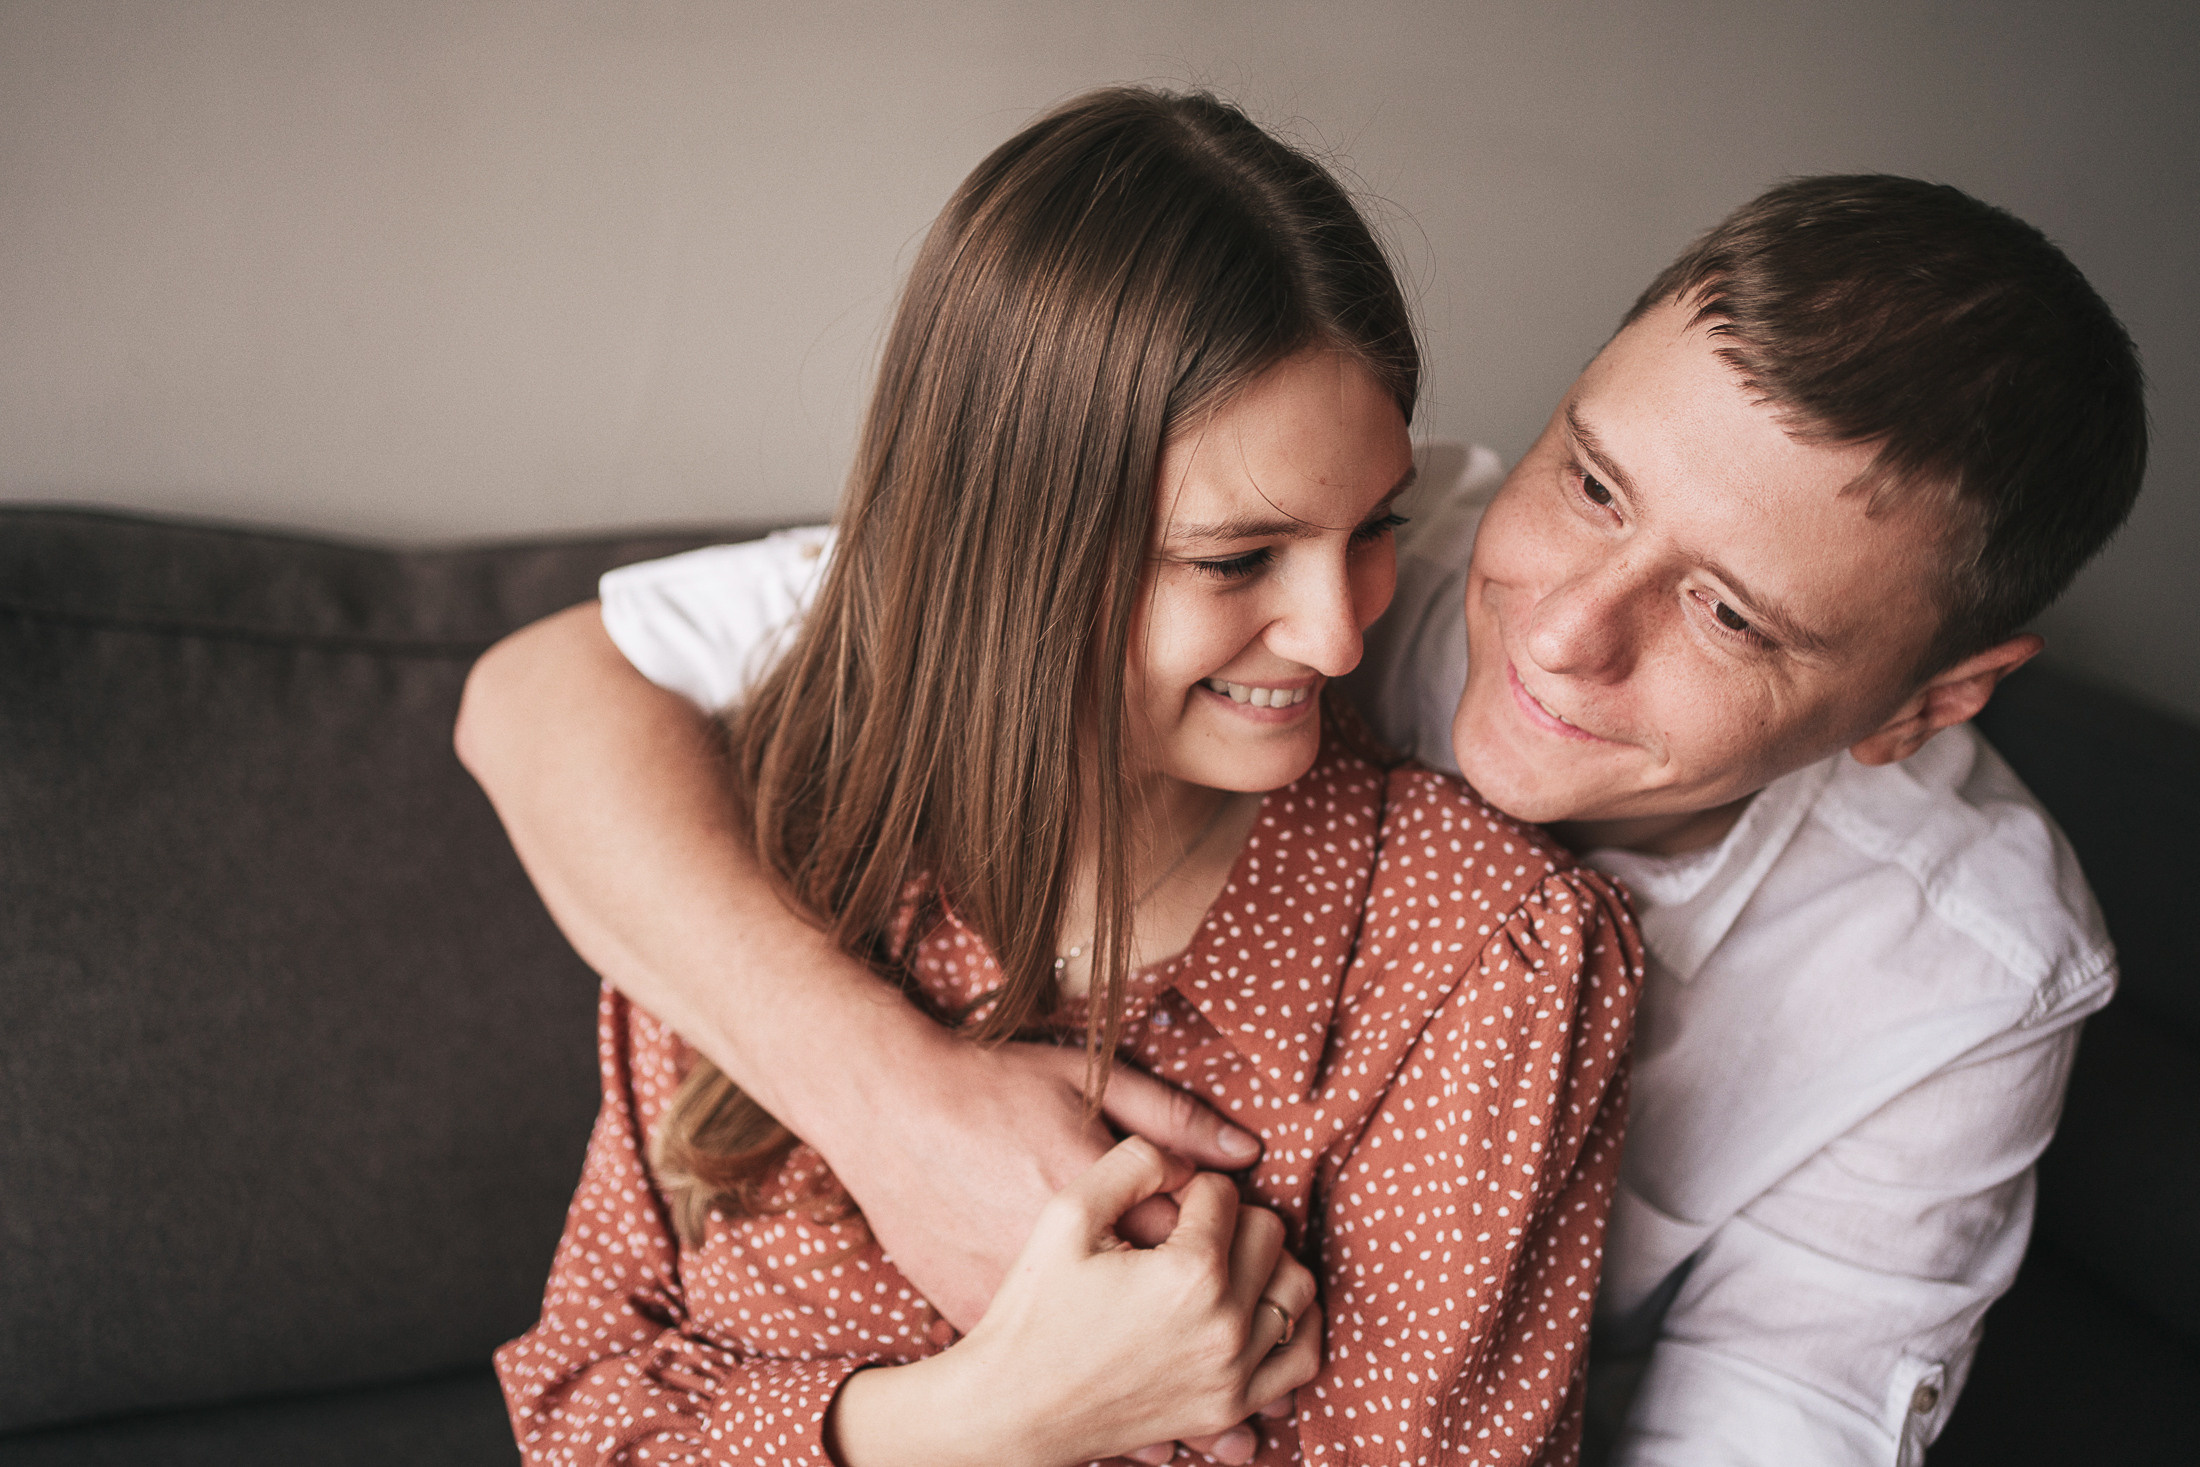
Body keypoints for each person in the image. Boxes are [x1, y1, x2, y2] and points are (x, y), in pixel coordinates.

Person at [459, 148, 2148, 1465]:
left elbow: (1778, 1421)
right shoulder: (1285, 508)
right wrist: (899, 1110)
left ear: (1931, 700)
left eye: (1727, 615)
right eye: (1592, 480)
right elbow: (546, 696)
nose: (1554, 630)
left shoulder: (1956, 980)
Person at [486, 87, 1640, 1467]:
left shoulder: (1478, 963)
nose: (1340, 634)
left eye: (1375, 526)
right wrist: (975, 1424)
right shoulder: (756, 844)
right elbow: (578, 1416)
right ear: (1011, 550)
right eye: (1235, 559)